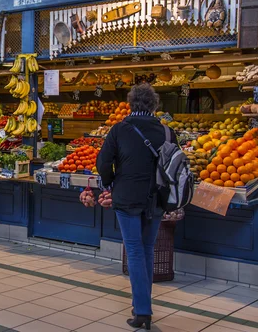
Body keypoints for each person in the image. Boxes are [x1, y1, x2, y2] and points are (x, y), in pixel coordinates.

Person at [97, 84, 177, 331]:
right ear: (154, 105)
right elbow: (175, 166)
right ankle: (142, 306)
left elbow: (103, 163)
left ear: (131, 104)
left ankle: (142, 310)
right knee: (147, 251)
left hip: (127, 198)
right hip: (156, 199)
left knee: (134, 250)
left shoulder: (119, 130)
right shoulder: (167, 132)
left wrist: (111, 183)